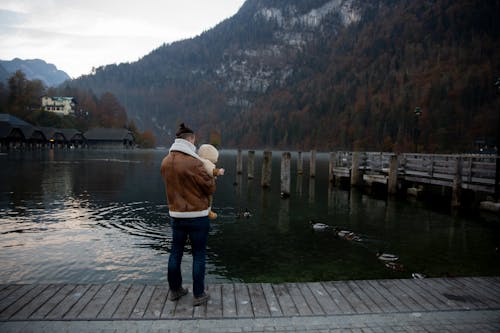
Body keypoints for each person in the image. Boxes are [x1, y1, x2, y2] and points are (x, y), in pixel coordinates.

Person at [160, 123, 215, 306]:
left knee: (175, 253)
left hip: (176, 215)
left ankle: (175, 291)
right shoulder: (195, 162)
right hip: (197, 216)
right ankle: (198, 294)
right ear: (190, 139)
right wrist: (212, 175)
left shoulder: (166, 161)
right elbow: (210, 188)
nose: (195, 143)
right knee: (198, 255)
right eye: (194, 140)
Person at [197, 144, 225, 219]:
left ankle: (206, 210)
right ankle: (208, 211)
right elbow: (211, 171)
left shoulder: (198, 161)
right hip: (206, 185)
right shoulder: (206, 162)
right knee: (209, 198)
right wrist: (219, 171)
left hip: (199, 185)